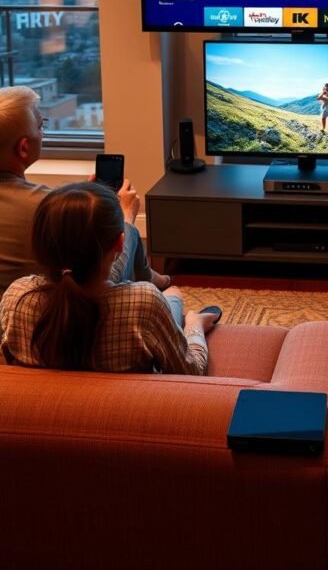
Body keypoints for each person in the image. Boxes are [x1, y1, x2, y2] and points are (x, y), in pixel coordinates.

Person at [0, 182, 221, 373]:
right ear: (120, 243)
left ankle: (171, 295)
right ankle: (179, 303)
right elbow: (191, 370)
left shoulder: (18, 297)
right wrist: (194, 327)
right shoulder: (143, 302)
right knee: (173, 297)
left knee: (171, 298)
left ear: (39, 243)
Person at [0, 87, 170, 300]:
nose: (43, 132)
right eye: (40, 126)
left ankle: (159, 281)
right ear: (23, 148)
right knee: (128, 231)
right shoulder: (46, 208)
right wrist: (124, 214)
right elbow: (98, 279)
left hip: (11, 317)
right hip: (54, 316)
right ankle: (162, 287)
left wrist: (79, 198)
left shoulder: (47, 203)